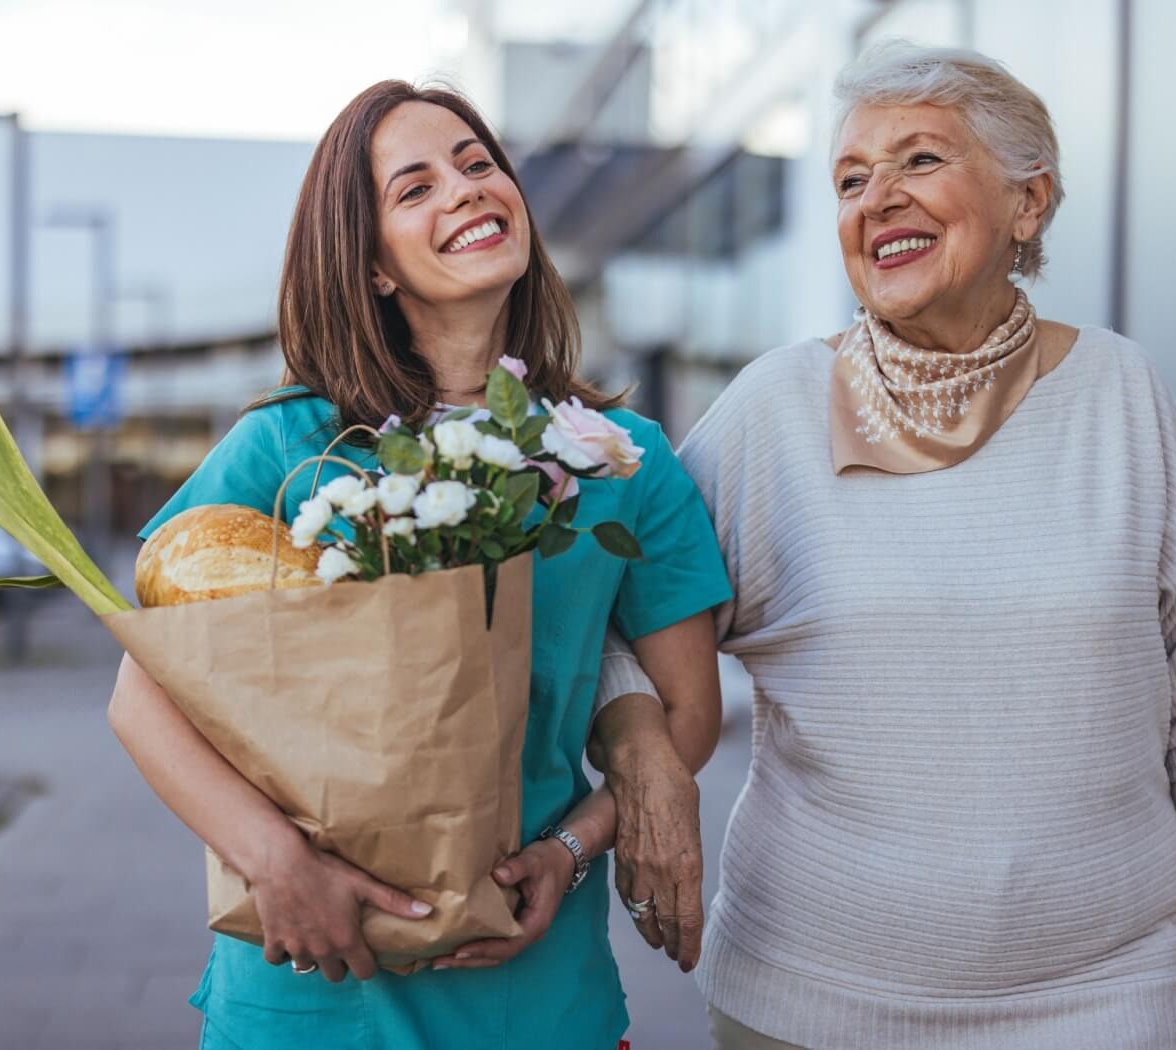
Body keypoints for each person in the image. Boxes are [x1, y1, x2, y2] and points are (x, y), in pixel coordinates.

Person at [595, 42, 1176, 1050]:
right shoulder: (773, 410)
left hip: (1109, 999)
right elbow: (612, 614)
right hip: (807, 1004)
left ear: (1027, 203)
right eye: (850, 179)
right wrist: (643, 751)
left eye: (918, 161)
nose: (878, 199)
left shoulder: (1123, 396)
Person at [106, 80, 731, 1050]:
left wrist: (573, 849)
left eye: (479, 165)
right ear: (373, 267)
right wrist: (274, 863)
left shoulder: (623, 461)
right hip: (313, 980)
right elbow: (141, 700)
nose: (467, 190)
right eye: (415, 187)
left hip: (536, 985)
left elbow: (689, 714)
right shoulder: (290, 449)